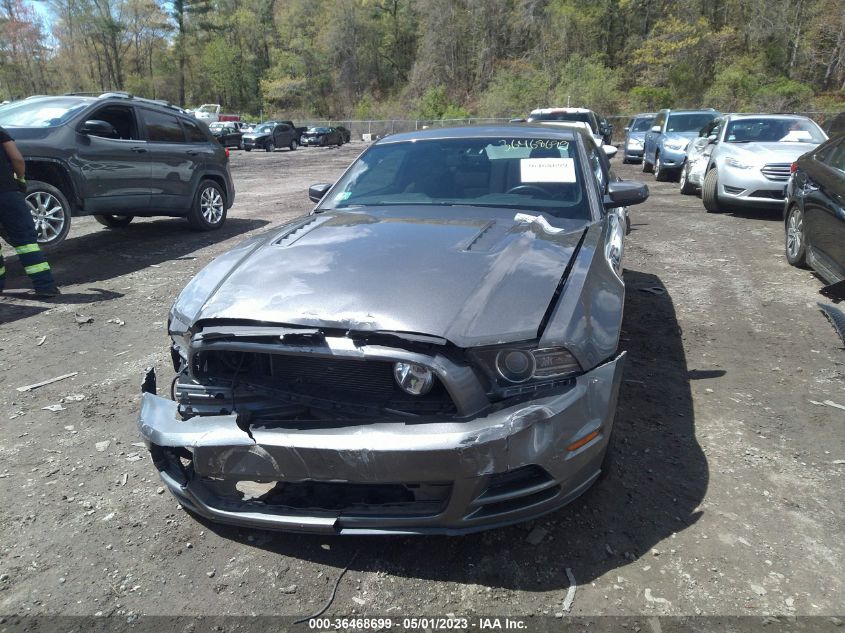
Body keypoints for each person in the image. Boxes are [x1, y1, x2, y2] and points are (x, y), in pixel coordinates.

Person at [0, 125, 60, 297]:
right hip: (6, 193)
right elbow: (17, 159)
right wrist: (20, 179)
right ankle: (45, 287)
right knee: (26, 244)